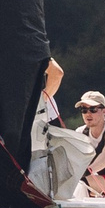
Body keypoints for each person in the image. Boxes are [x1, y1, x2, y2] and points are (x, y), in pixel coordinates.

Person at [28, 57, 65, 190]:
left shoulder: (25, 44)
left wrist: (39, 101)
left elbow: (57, 73)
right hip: (32, 114)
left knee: (47, 164)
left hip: (41, 116)